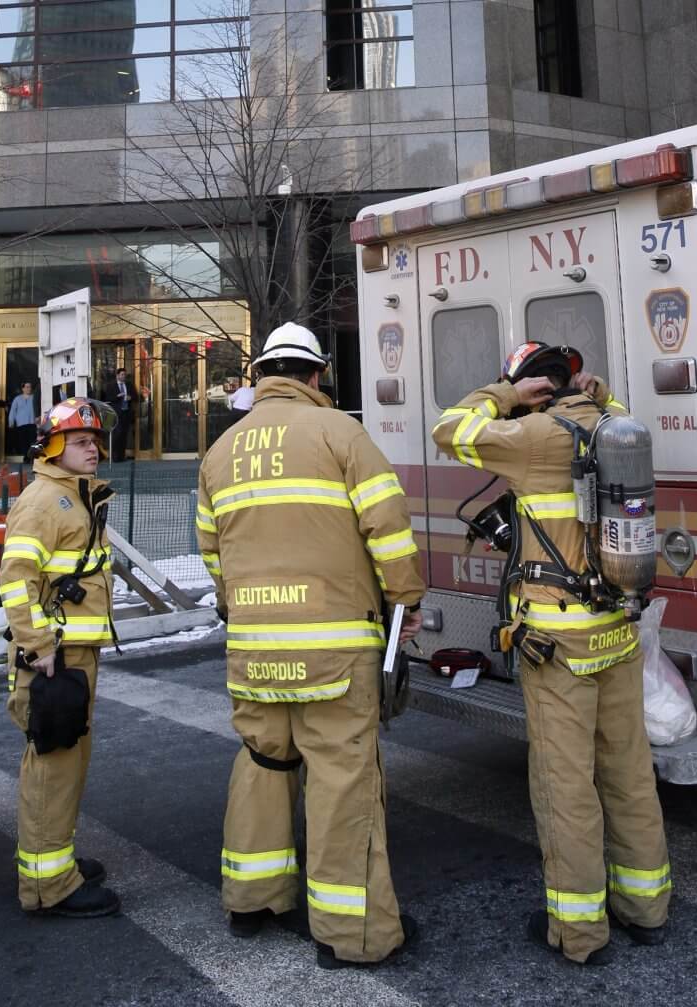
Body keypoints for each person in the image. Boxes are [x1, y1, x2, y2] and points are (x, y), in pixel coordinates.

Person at [431, 342, 671, 966]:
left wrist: (505, 397)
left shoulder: (532, 436)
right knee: (628, 773)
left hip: (557, 644)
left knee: (566, 785)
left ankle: (579, 932)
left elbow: (448, 430)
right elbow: (613, 411)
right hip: (618, 630)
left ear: (532, 387)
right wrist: (598, 391)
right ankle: (646, 908)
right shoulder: (617, 427)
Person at [197, 322, 426, 968]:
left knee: (264, 762)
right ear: (318, 376)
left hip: (254, 649)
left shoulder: (221, 452)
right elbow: (388, 528)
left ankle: (252, 896)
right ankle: (352, 934)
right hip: (334, 649)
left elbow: (213, 554)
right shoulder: (342, 436)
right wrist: (406, 603)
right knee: (342, 777)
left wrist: (242, 609)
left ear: (263, 374)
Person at [0, 397, 121, 918]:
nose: (93, 448)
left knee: (67, 762)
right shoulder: (45, 501)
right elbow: (14, 580)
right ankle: (49, 887)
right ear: (51, 447)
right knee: (52, 764)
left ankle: (55, 862)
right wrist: (40, 646)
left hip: (72, 656)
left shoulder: (74, 496)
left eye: (95, 440)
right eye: (80, 442)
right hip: (54, 659)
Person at [104, 367, 136, 460]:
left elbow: (136, 396)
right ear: (117, 375)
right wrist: (117, 396)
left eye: (124, 375)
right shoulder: (110, 385)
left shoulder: (129, 385)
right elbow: (107, 398)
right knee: (117, 434)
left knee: (124, 435)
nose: (123, 377)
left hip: (126, 413)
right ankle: (114, 456)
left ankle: (121, 456)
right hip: (116, 413)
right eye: (122, 375)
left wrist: (130, 397)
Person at [7, 381, 38, 457]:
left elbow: (38, 408)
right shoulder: (17, 399)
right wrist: (11, 422)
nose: (28, 389)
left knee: (32, 441)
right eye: (26, 387)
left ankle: (32, 457)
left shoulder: (34, 398)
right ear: (23, 388)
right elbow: (13, 411)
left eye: (30, 387)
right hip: (21, 424)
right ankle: (25, 457)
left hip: (32, 423)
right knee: (22, 442)